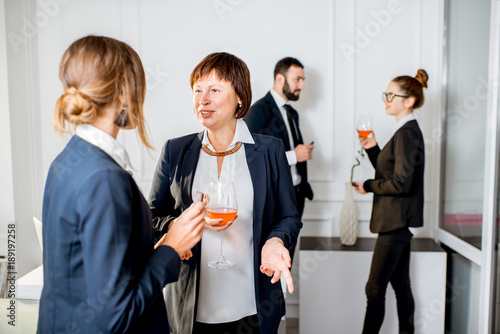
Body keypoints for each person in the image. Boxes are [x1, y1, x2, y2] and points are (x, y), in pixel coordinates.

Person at [37, 35, 206, 334]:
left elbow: (94, 273)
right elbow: (115, 317)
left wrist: (157, 246)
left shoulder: (67, 160)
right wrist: (171, 247)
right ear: (124, 91)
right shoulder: (105, 178)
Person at [149, 52, 302, 334]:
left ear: (240, 98)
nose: (202, 100)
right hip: (191, 310)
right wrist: (177, 227)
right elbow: (152, 217)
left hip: (252, 306)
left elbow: (289, 216)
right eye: (197, 91)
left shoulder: (270, 150)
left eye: (214, 90)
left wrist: (276, 241)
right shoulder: (175, 151)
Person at [352, 69, 428, 334]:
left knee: (374, 289)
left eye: (391, 95)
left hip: (396, 222)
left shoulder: (407, 133)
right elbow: (391, 173)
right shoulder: (404, 131)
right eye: (385, 94)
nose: (385, 99)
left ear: (408, 101)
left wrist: (367, 185)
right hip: (399, 221)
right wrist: (373, 147)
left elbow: (399, 184)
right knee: (401, 285)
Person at [244, 57, 313, 260]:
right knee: (273, 258)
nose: (302, 85)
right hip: (275, 198)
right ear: (280, 79)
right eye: (298, 79)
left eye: (303, 79)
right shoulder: (258, 111)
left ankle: (282, 293)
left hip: (296, 196)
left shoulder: (292, 112)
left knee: (287, 257)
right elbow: (249, 154)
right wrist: (294, 156)